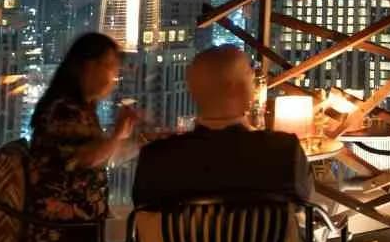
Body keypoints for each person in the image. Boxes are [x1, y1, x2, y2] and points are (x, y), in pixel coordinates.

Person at [133, 45, 311, 205]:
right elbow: (302, 204)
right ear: (234, 88)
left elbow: (144, 217)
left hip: (190, 241)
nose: (254, 80)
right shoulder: (285, 152)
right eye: (250, 74)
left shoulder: (154, 159)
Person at [27, 32, 139, 242]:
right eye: (109, 65)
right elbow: (85, 157)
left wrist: (140, 143)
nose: (114, 75)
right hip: (59, 236)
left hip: (83, 230)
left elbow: (101, 156)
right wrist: (118, 135)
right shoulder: (63, 110)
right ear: (87, 66)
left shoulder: (82, 110)